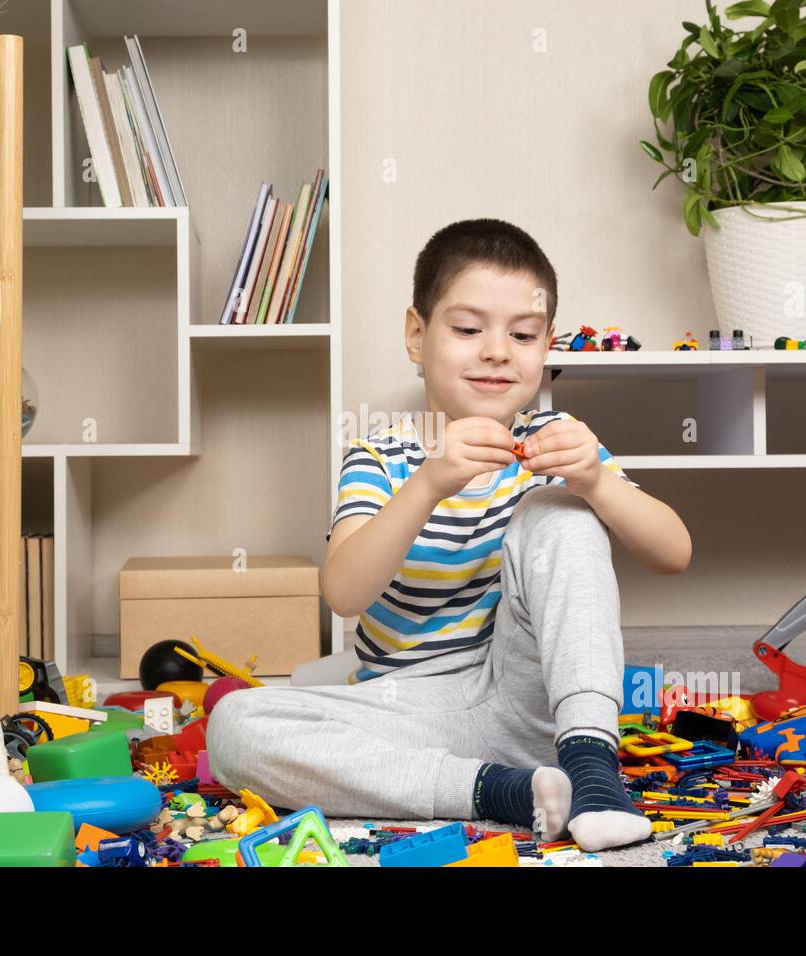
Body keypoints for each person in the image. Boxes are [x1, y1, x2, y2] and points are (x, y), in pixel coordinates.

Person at [207, 219, 691, 850]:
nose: (496, 351)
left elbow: (674, 552)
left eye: (522, 334)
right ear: (417, 335)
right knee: (234, 727)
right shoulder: (381, 457)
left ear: (546, 346)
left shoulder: (557, 441)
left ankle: (594, 766)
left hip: (533, 705)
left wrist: (597, 481)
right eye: (467, 330)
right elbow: (344, 593)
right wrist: (429, 482)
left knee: (559, 510)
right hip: (414, 715)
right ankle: (502, 790)